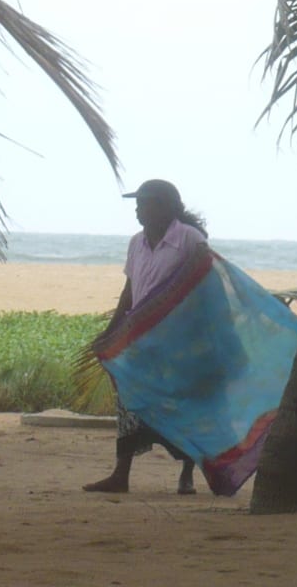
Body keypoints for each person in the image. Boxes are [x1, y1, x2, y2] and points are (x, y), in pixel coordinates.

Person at [82, 179, 208, 495]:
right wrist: (111, 329)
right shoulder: (136, 242)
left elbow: (205, 284)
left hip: (178, 338)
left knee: (181, 403)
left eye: (144, 203)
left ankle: (187, 474)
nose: (138, 210)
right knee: (128, 398)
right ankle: (120, 474)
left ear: (165, 207)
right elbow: (130, 289)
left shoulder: (190, 238)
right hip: (139, 336)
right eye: (137, 204)